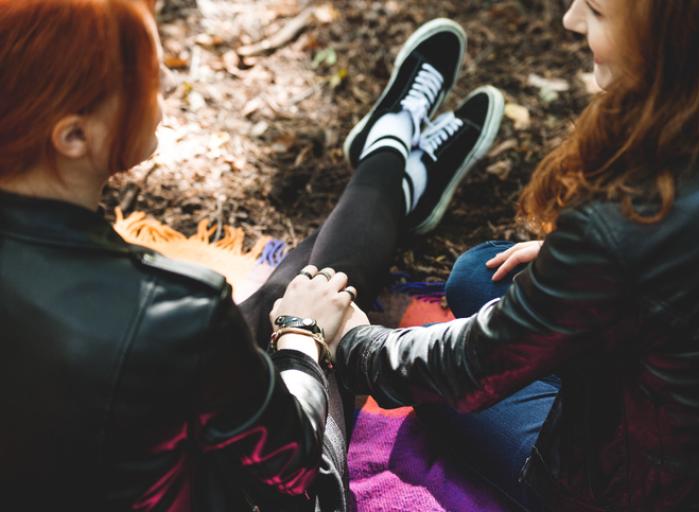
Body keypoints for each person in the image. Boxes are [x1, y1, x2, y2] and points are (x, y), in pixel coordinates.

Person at [0, 1, 504, 511]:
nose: (167, 88)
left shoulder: (173, 309)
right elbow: (295, 469)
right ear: (73, 135)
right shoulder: (175, 311)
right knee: (301, 310)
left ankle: (390, 163)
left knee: (271, 307)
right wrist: (302, 338)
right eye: (147, 78)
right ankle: (389, 163)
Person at [330, 1, 699, 511]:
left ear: (678, 35)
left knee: (428, 380)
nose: (571, 20)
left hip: (659, 490)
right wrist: (581, 268)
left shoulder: (632, 223)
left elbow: (470, 367)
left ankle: (391, 150)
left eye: (599, 11)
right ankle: (397, 158)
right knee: (476, 273)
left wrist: (354, 344)